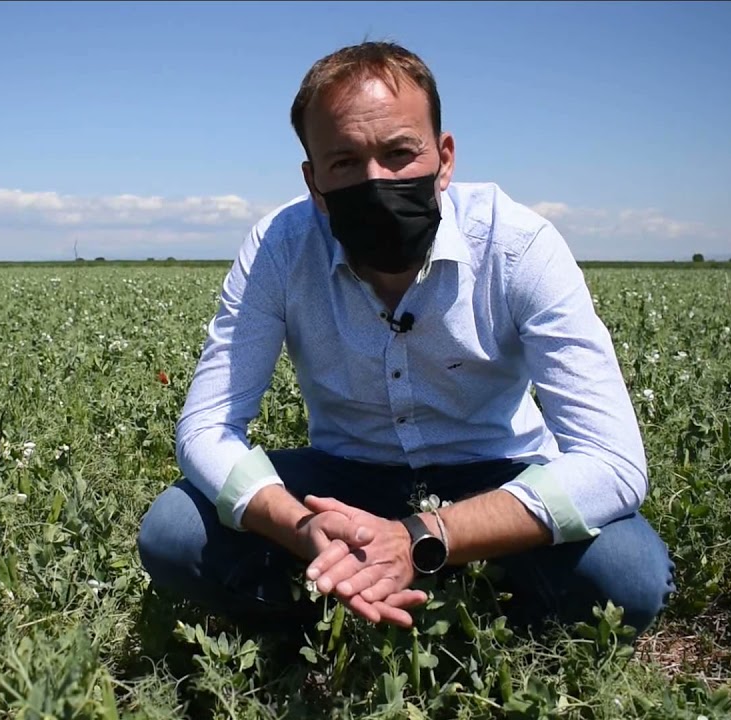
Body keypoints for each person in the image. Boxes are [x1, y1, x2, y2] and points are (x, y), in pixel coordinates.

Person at [136, 40, 675, 636]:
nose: (376, 180)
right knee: (175, 532)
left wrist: (424, 535)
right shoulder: (280, 247)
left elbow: (614, 463)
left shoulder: (517, 245)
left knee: (627, 577)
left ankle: (387, 594)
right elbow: (206, 428)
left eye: (399, 153)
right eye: (344, 162)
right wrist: (297, 526)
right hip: (344, 479)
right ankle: (372, 586)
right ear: (314, 180)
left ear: (444, 158)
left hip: (498, 473)